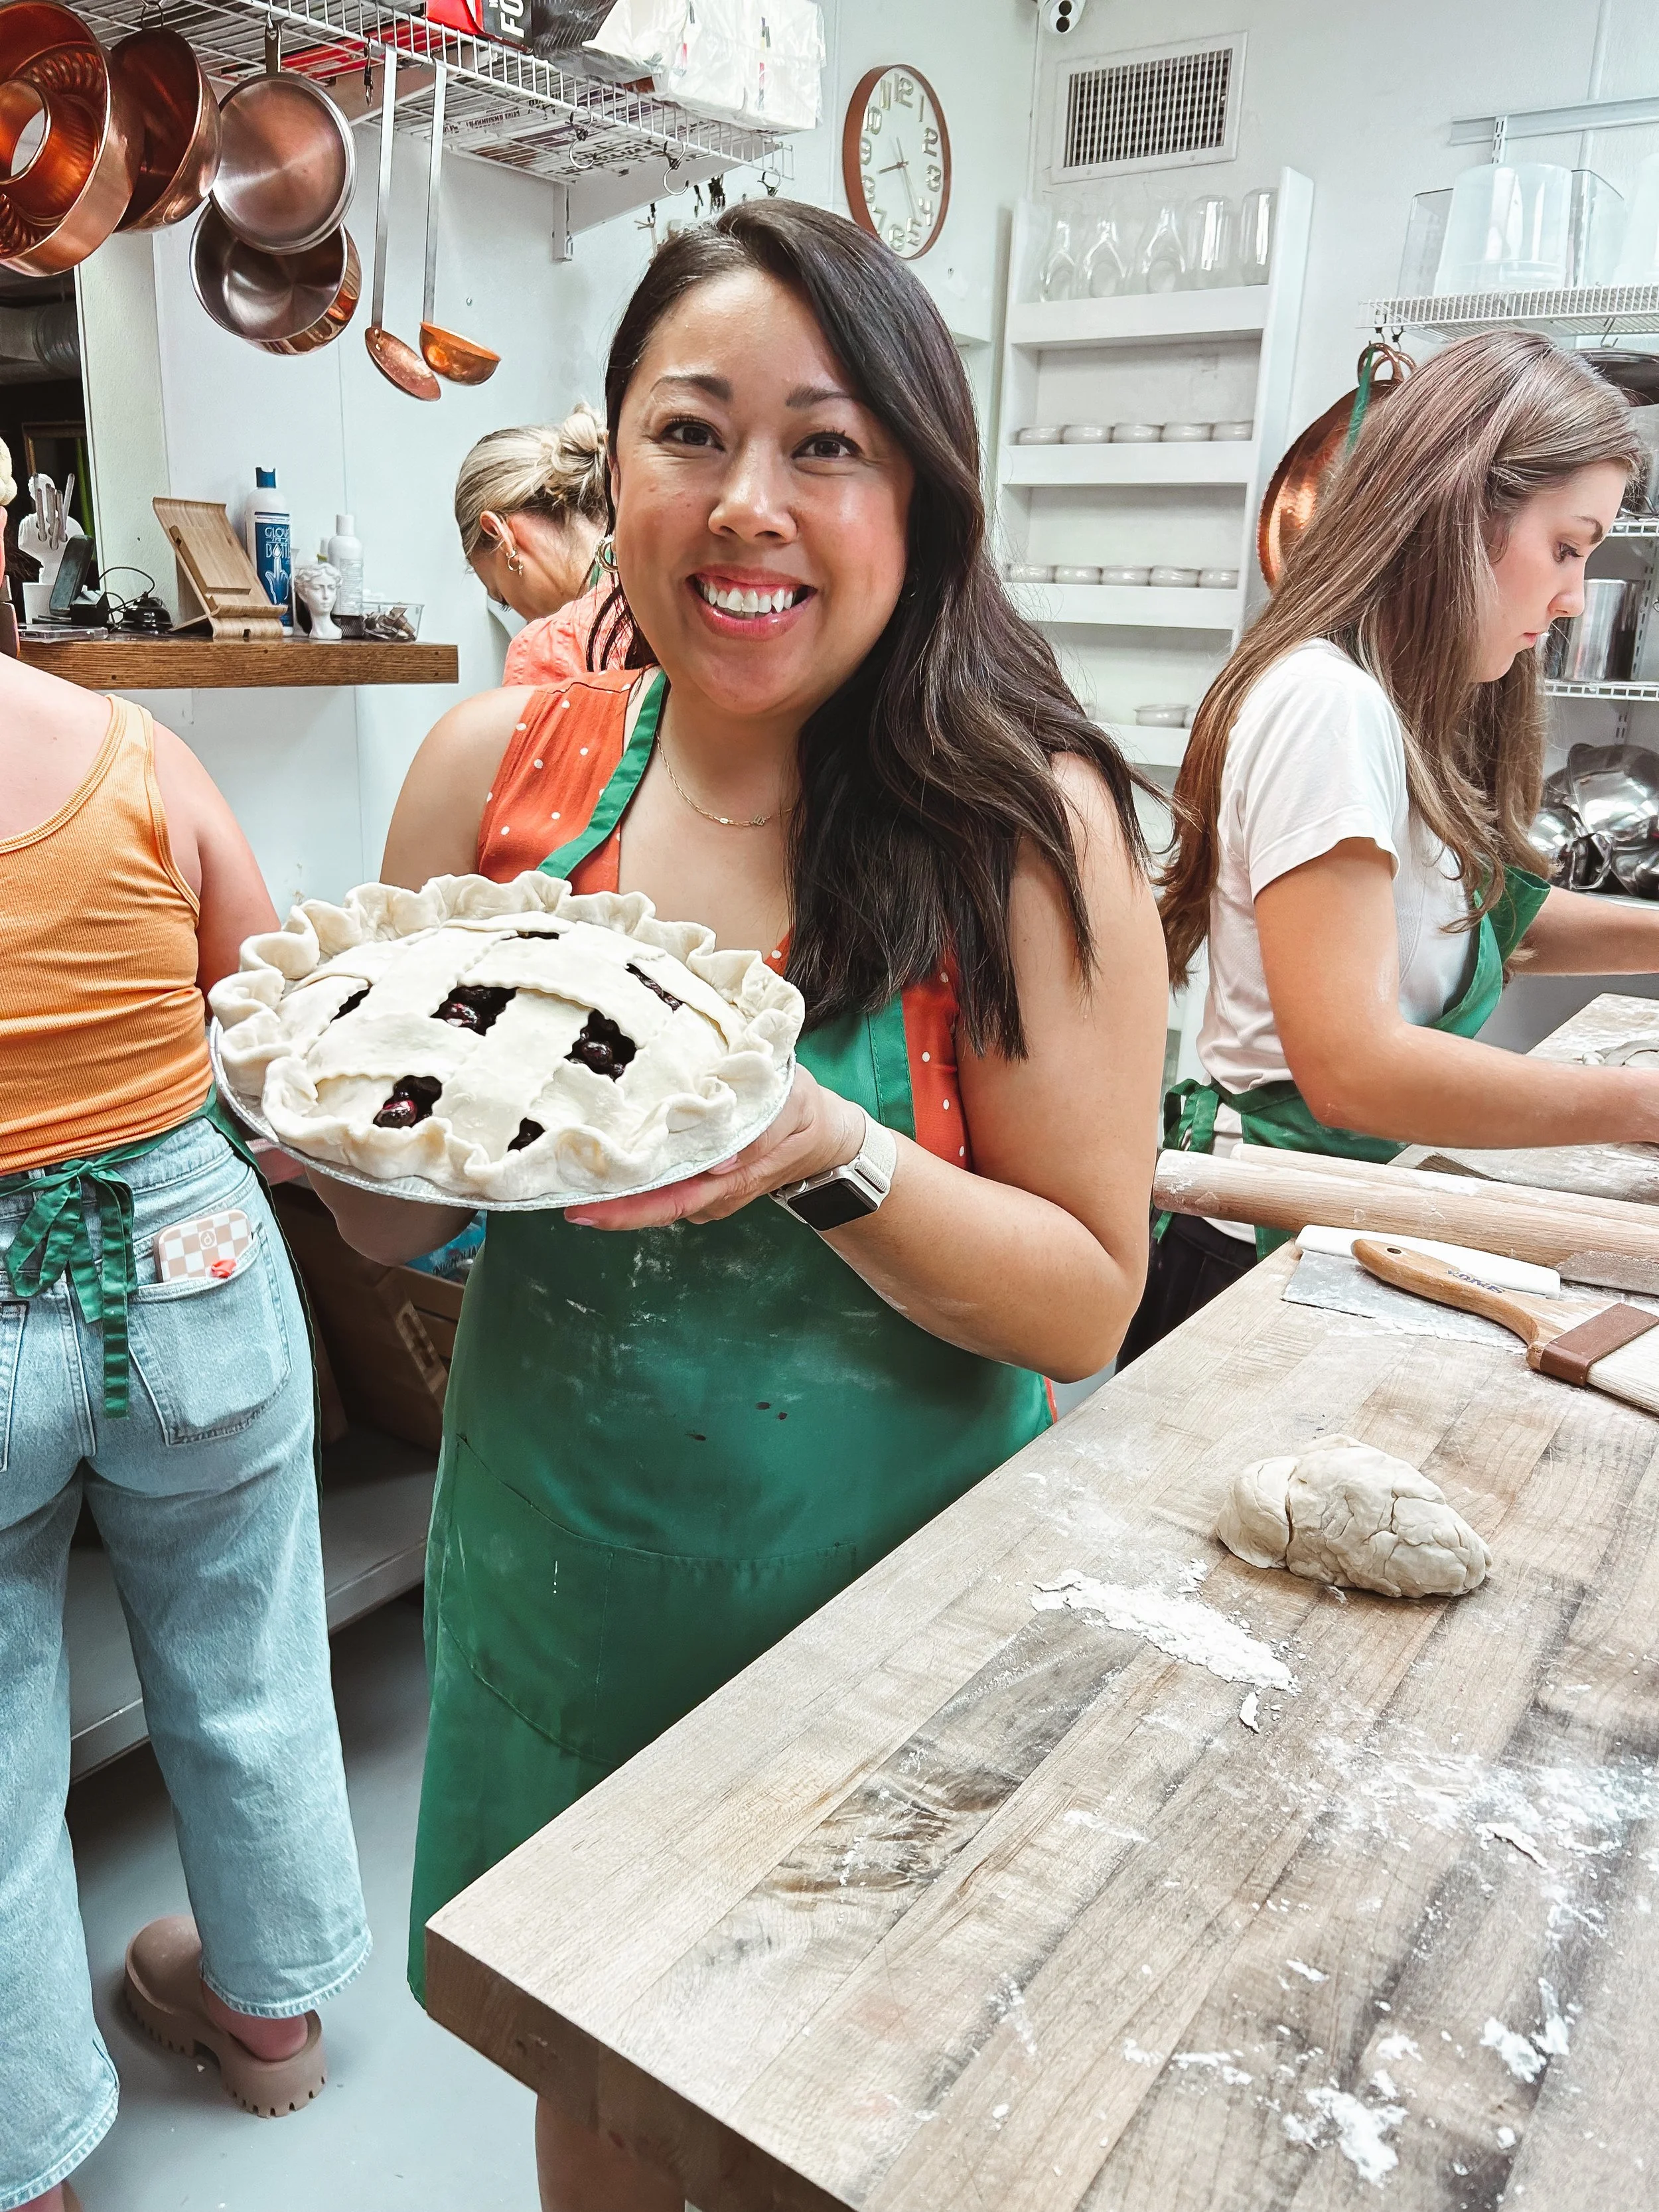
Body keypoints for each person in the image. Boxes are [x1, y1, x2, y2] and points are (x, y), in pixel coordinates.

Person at [317, 198, 1167, 2212]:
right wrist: (339, 1132)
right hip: (560, 1586)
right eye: (690, 433)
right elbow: (383, 1231)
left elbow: (1079, 1305)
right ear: (611, 459)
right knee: (593, 2100)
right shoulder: (493, 784)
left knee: (832, 2128)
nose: (746, 505)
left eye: (825, 443)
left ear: (919, 491)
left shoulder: (1015, 829)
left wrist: (824, 1152)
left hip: (880, 1637)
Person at [0, 439, 369, 2212]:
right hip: (181, 1251)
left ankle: (35, 2159)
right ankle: (267, 2015)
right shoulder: (139, 751)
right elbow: (276, 1014)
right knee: (244, 1649)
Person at [1119, 329, 1659, 1363]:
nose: (1573, 598)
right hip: (1252, 1252)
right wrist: (1641, 1104)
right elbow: (1353, 1071)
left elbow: (1498, 926)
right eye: (1567, 546)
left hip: (1338, 1216)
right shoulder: (1329, 707)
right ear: (1465, 514)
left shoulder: (1407, 704)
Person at [453, 405, 630, 684]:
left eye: (504, 601)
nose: (525, 622)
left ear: (502, 535)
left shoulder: (547, 650)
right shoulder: (665, 591)